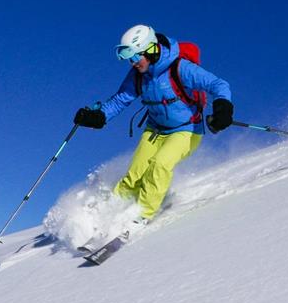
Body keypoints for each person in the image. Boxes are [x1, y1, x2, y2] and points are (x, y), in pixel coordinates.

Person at [73, 24, 233, 226]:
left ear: (150, 49)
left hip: (186, 130)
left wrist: (223, 107)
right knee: (135, 174)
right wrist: (98, 116)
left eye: (135, 57)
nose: (132, 63)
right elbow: (120, 100)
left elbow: (218, 84)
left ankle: (142, 215)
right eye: (129, 59)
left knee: (160, 165)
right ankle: (111, 210)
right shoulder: (138, 76)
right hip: (155, 130)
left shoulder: (179, 68)